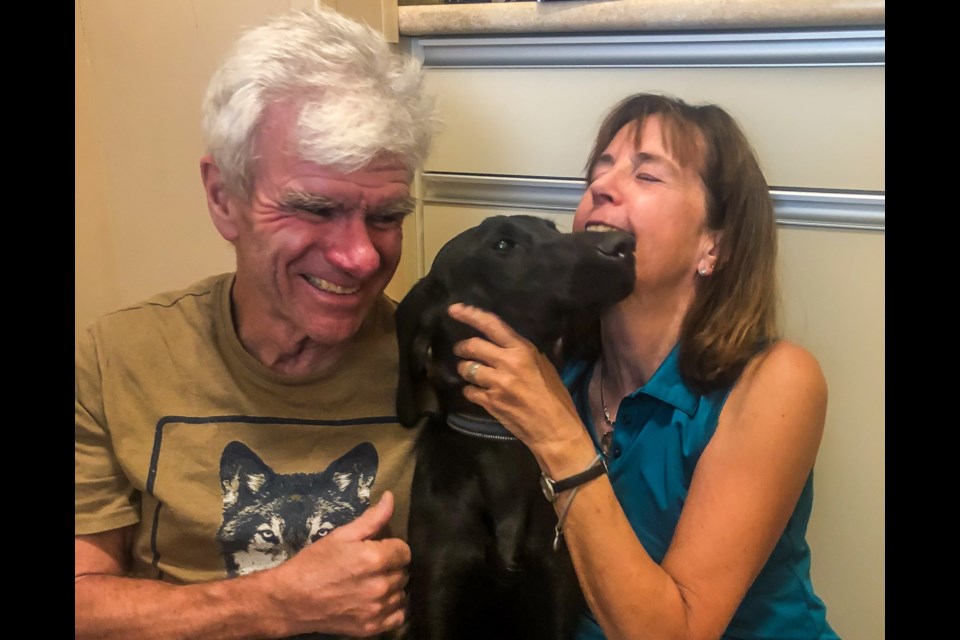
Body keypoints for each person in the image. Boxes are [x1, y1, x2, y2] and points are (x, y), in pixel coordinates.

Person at [75, 7, 435, 639]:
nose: (361, 257)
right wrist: (272, 605)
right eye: (315, 208)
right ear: (223, 198)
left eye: (386, 216)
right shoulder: (116, 358)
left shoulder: (439, 366)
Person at [447, 92, 839, 639]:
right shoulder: (555, 367)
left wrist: (558, 437)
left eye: (647, 176)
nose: (601, 187)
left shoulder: (776, 381)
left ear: (714, 245)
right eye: (598, 173)